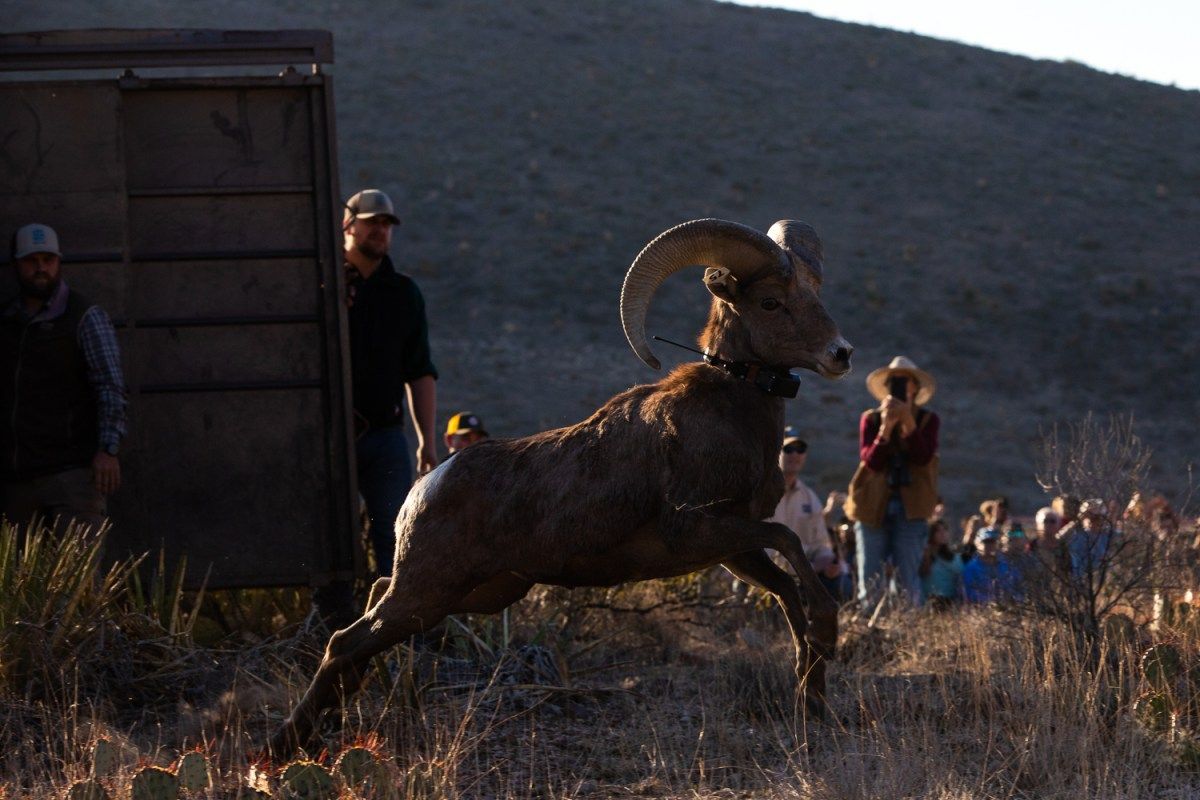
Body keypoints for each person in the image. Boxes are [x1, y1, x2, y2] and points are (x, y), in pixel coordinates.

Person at [317, 190, 439, 628]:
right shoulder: (320, 285)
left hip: (386, 436)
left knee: (397, 535)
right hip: (326, 437)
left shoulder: (404, 293)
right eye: (371, 222)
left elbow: (420, 370)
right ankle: (332, 629)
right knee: (330, 540)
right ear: (347, 226)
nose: (380, 231)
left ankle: (394, 629)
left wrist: (426, 439)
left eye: (386, 224)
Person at [0, 223, 127, 535]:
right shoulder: (6, 321)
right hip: (17, 481)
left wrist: (108, 450)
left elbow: (110, 386)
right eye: (32, 261)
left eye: (48, 259)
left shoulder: (85, 317)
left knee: (78, 581)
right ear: (17, 264)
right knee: (19, 583)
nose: (41, 268)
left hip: (73, 476)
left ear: (58, 262)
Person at [844, 356, 940, 604]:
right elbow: (871, 462)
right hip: (871, 503)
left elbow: (923, 457)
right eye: (893, 381)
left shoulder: (929, 420)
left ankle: (908, 631)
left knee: (908, 579)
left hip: (913, 506)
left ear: (915, 387)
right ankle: (870, 629)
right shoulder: (872, 419)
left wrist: (908, 421)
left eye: (904, 381)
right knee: (870, 579)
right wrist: (886, 428)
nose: (898, 385)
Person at [765, 432, 851, 601]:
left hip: (804, 574)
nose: (795, 454)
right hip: (765, 575)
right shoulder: (760, 493)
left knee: (842, 584)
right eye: (788, 449)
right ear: (776, 452)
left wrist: (828, 562)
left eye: (800, 449)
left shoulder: (810, 498)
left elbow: (820, 544)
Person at [962, 527, 1016, 603]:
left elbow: (1015, 586)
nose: (990, 545)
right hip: (980, 611)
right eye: (986, 542)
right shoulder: (971, 568)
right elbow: (968, 592)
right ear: (977, 544)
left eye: (993, 542)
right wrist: (990, 600)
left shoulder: (1006, 566)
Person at [919, 518, 963, 608]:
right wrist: (926, 556)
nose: (943, 534)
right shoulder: (921, 556)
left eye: (945, 530)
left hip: (949, 603)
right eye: (938, 531)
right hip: (927, 603)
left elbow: (961, 577)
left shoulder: (954, 557)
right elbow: (922, 573)